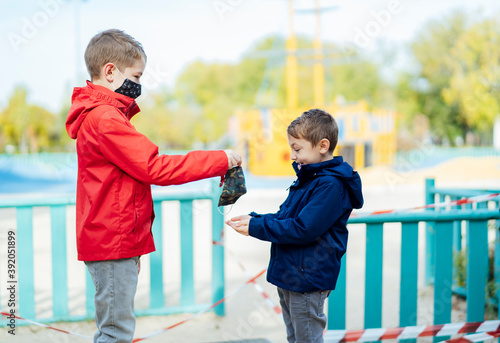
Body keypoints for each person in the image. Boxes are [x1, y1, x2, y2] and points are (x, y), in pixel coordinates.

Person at [66, 29, 241, 343]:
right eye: (136, 75)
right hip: (112, 241)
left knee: (114, 328)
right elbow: (155, 167)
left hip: (111, 239)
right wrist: (220, 159)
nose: (139, 83)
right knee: (115, 333)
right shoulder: (106, 119)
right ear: (110, 72)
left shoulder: (102, 116)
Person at [226, 109, 363, 343]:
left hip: (307, 279)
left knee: (307, 338)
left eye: (297, 149)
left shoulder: (330, 186)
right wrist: (254, 219)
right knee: (295, 337)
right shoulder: (309, 178)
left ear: (322, 146)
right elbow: (285, 216)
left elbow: (303, 229)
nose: (292, 155)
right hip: (290, 275)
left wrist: (256, 227)